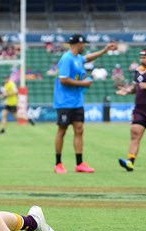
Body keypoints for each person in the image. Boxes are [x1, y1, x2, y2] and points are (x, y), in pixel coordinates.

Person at [53, 34, 116, 174]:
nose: (85, 46)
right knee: (62, 131)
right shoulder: (67, 59)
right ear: (78, 44)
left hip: (77, 102)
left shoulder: (77, 58)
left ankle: (79, 163)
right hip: (64, 102)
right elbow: (63, 80)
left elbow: (88, 58)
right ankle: (58, 164)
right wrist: (83, 83)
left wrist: (105, 50)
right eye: (84, 44)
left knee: (79, 130)